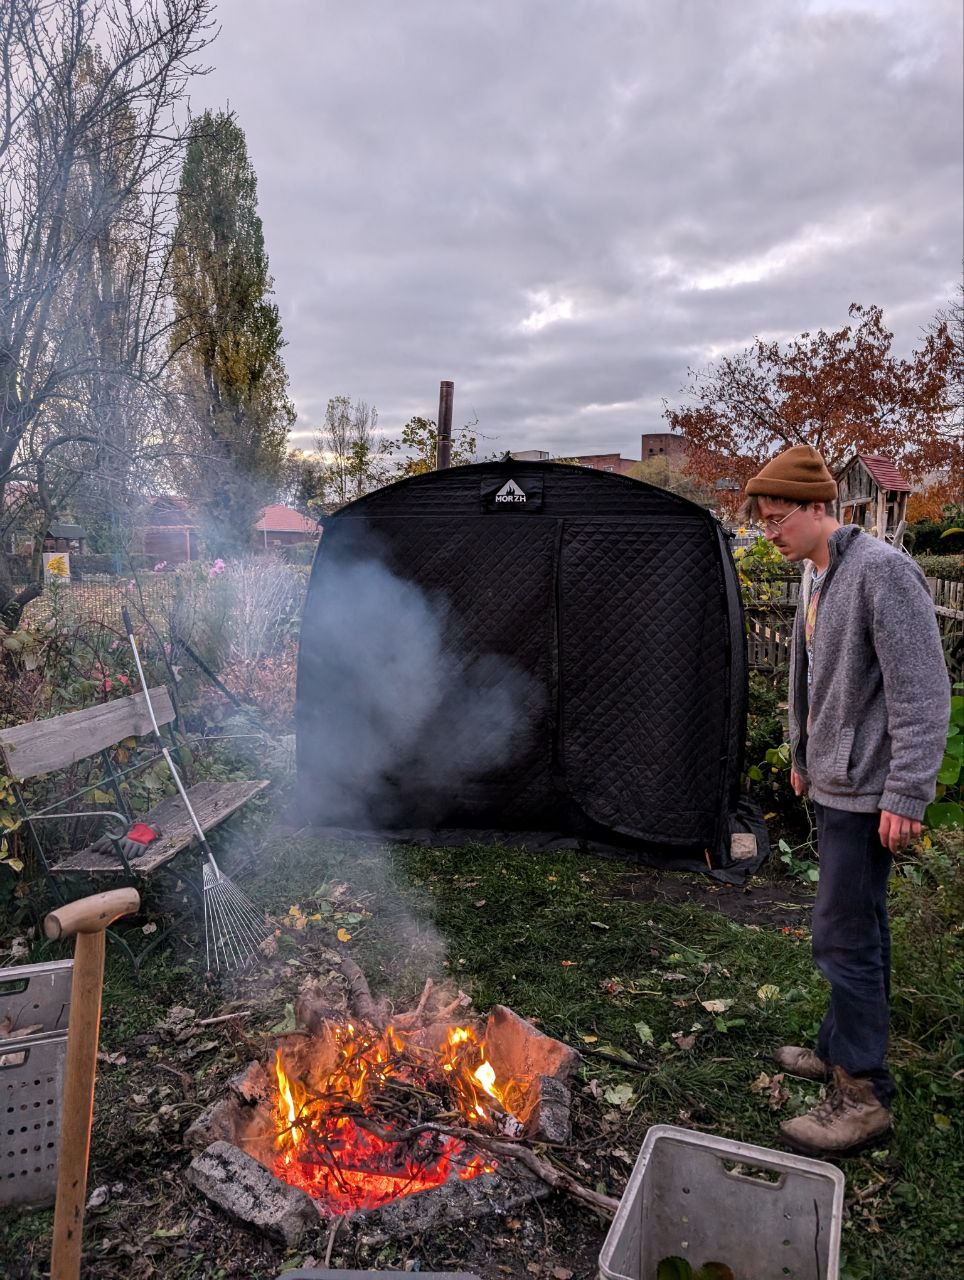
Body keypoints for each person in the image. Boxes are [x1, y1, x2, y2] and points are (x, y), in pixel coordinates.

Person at [743, 444, 949, 1155]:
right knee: (861, 923)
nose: (768, 532)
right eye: (763, 521)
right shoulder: (817, 571)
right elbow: (808, 677)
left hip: (870, 793)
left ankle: (862, 1095)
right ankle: (838, 1047)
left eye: (777, 519)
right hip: (835, 780)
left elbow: (923, 692)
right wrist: (803, 756)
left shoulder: (882, 572)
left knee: (842, 935)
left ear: (816, 507)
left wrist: (908, 792)